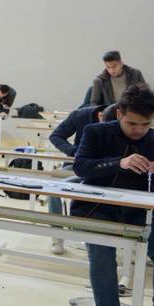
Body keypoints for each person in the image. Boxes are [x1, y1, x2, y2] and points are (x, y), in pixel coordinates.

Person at [71, 85, 154, 306]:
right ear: (119, 113)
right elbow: (80, 167)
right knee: (102, 257)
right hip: (98, 209)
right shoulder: (95, 132)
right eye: (132, 123)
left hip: (141, 212)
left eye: (145, 124)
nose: (139, 130)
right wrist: (119, 163)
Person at [45, 103, 110, 255]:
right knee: (53, 191)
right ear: (99, 115)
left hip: (105, 171)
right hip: (78, 167)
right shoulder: (80, 115)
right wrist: (74, 151)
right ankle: (57, 237)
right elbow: (56, 136)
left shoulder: (118, 120)